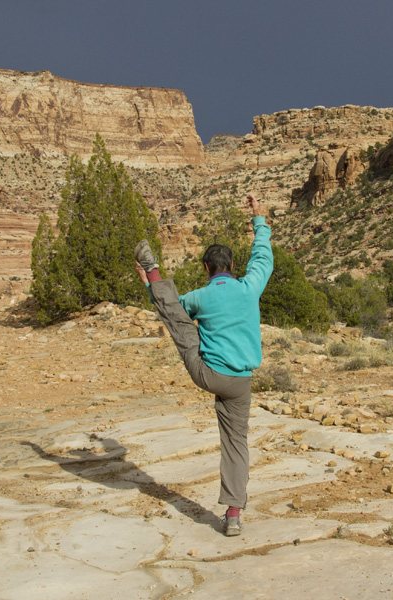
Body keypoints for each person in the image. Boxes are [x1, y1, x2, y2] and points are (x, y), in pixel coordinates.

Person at [134, 194, 273, 537]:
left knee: (180, 323)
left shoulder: (200, 296)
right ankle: (234, 514)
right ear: (232, 267)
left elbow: (173, 312)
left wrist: (153, 286)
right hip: (240, 381)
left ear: (207, 269)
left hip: (208, 375)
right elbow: (263, 259)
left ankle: (152, 269)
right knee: (236, 443)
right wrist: (259, 220)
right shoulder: (248, 287)